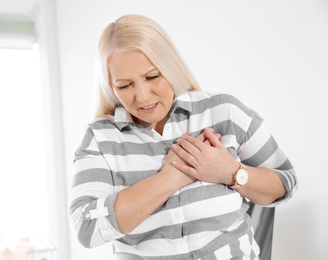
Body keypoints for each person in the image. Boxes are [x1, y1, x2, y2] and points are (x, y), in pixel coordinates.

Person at [68, 14, 297, 260]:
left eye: (152, 76)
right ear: (110, 87)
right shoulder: (100, 139)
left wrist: (231, 173)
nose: (143, 96)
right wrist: (169, 179)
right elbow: (86, 228)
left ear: (170, 66)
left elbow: (285, 184)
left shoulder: (223, 112)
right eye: (125, 86)